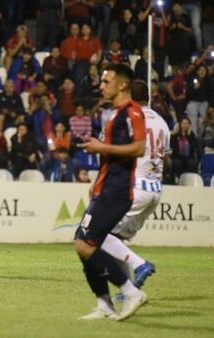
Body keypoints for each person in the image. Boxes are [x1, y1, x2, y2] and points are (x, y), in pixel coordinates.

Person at [75, 63, 147, 321]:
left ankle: (131, 292)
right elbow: (111, 153)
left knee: (85, 245)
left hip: (117, 191)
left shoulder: (133, 112)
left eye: (106, 82)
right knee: (82, 242)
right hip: (105, 187)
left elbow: (139, 148)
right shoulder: (115, 114)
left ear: (122, 84)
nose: (101, 86)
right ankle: (104, 305)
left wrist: (101, 146)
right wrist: (97, 177)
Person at [99, 80, 170, 303]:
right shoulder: (163, 122)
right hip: (155, 190)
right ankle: (129, 290)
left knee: (97, 235)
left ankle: (141, 265)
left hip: (134, 187)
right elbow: (164, 156)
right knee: (116, 238)